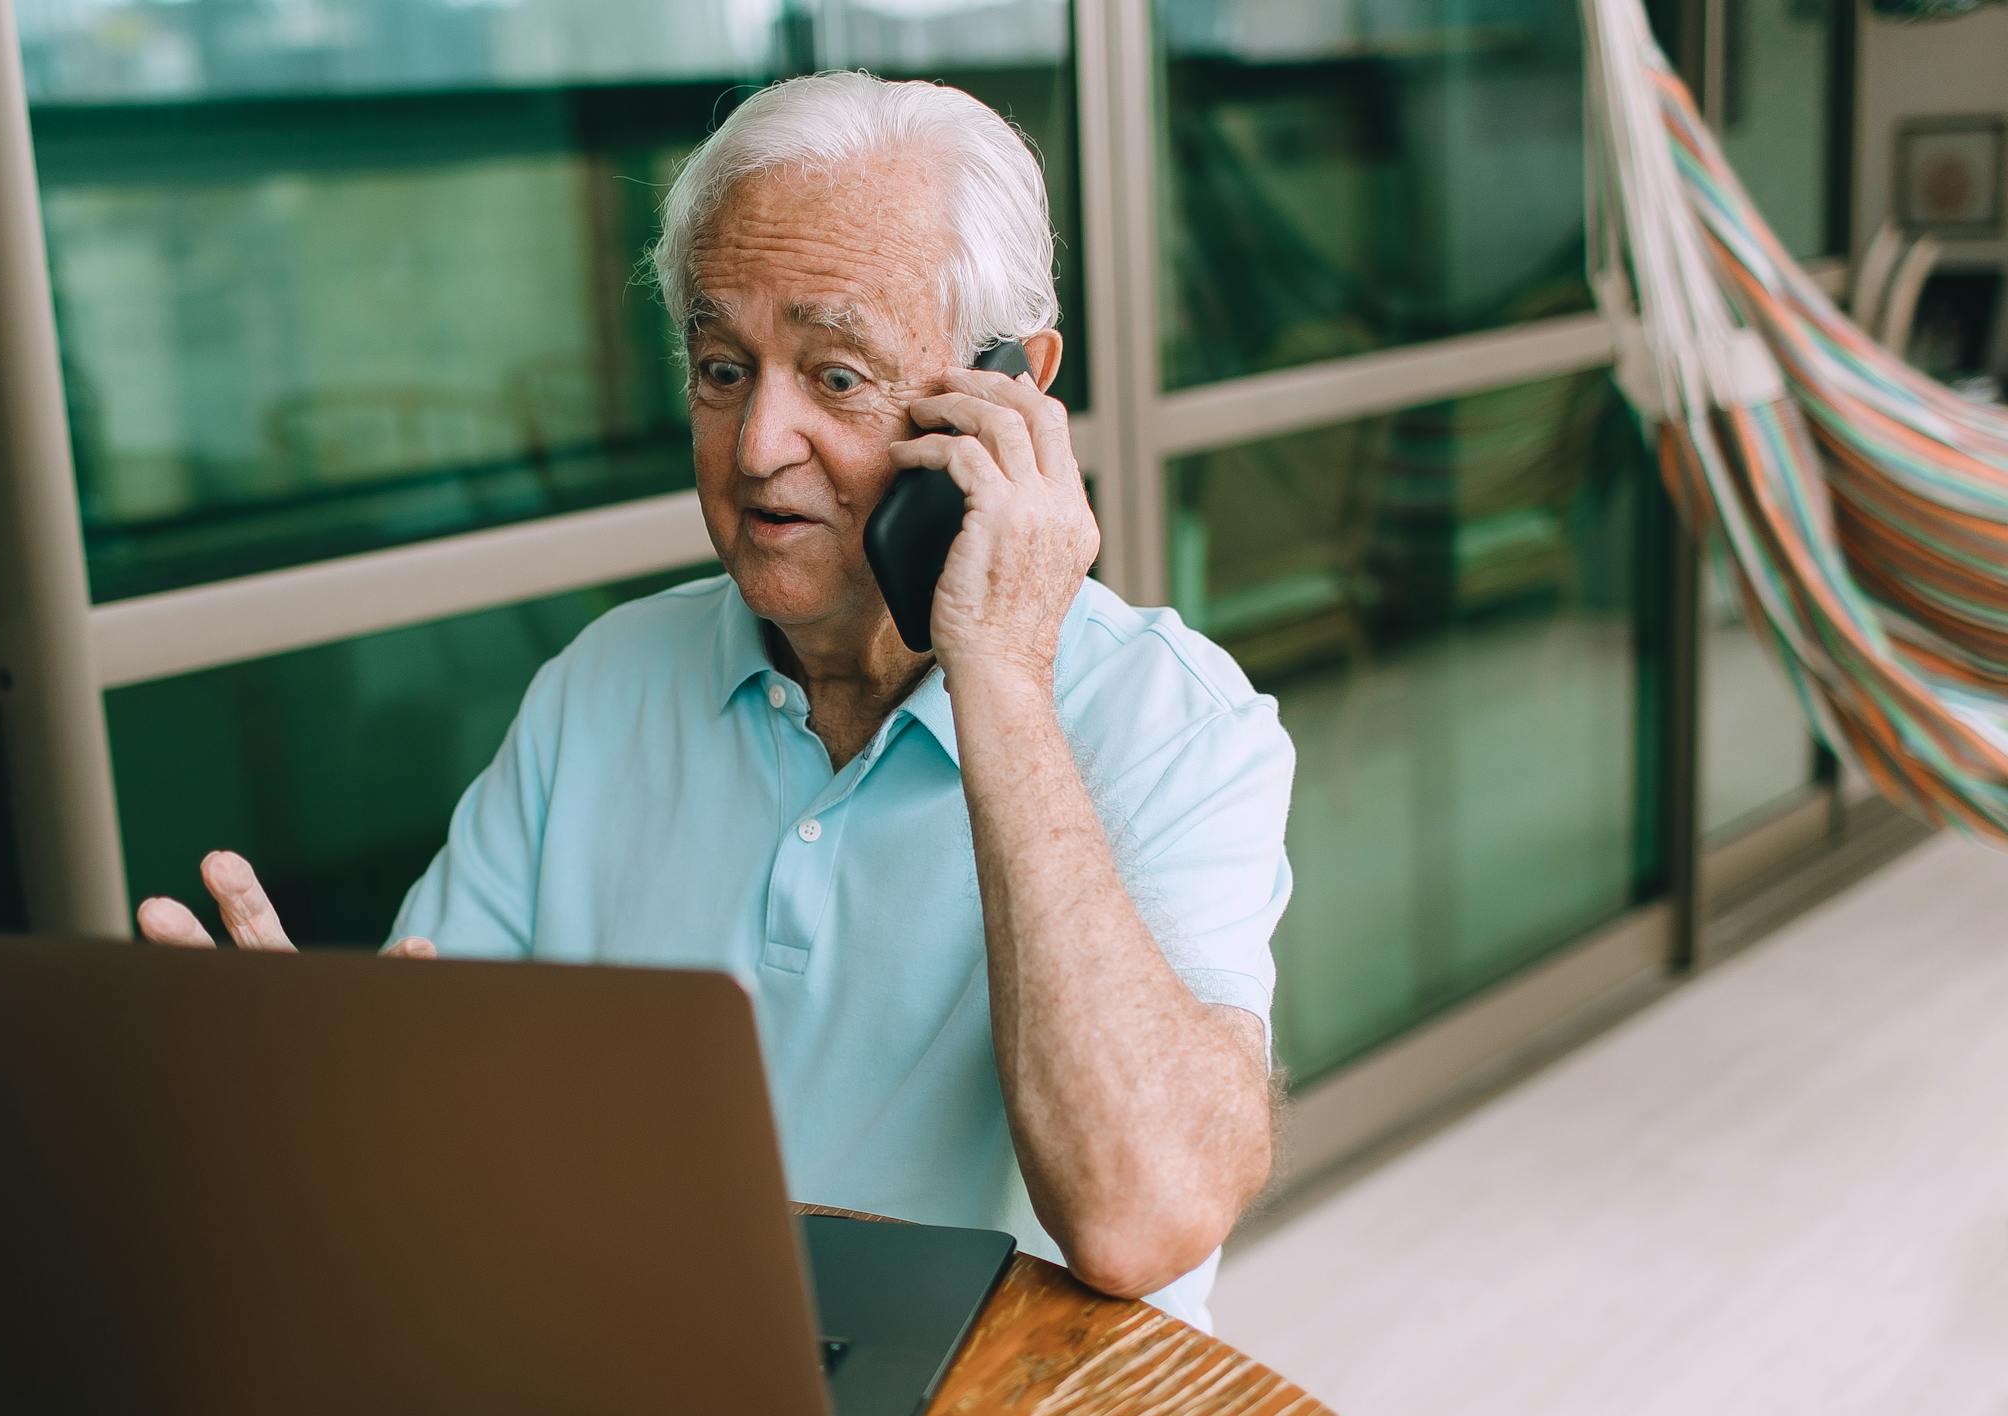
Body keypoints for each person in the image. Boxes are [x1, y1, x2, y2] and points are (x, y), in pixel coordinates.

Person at [138, 72, 1293, 1332]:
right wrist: (315, 1100)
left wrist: (1001, 672)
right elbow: (440, 1106)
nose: (755, 448)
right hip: (646, 1379)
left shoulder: (1181, 726)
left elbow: (1145, 1215)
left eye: (837, 376)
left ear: (1010, 393)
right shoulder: (604, 685)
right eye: (722, 368)